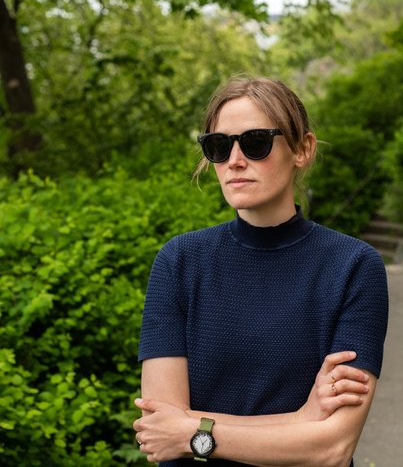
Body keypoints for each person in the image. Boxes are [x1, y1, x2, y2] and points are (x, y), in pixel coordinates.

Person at [133, 76, 388, 466]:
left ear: (302, 149)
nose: (235, 160)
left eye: (255, 142)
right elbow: (159, 429)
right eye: (219, 146)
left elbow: (331, 449)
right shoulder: (179, 261)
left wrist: (192, 434)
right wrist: (300, 420)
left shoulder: (354, 266)